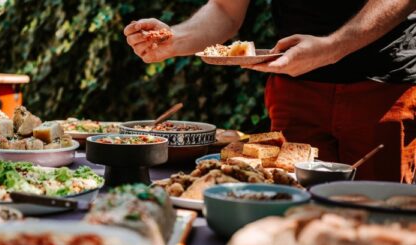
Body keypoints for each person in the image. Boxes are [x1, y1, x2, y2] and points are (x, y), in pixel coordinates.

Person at [124, 0, 416, 183]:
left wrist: (331, 48)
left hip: (382, 91)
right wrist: (176, 40)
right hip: (295, 92)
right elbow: (226, 10)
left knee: (378, 218)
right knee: (293, 210)